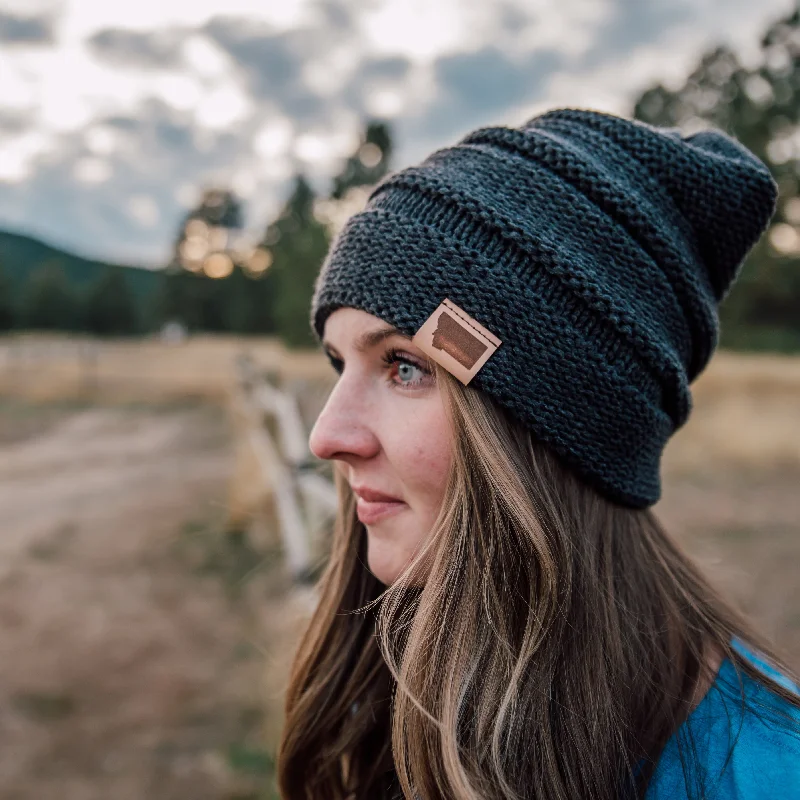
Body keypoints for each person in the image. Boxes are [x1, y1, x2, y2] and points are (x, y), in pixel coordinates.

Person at [275, 108, 800, 799]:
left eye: (405, 365)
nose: (326, 435)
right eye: (339, 362)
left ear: (565, 420)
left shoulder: (769, 774)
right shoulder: (392, 688)